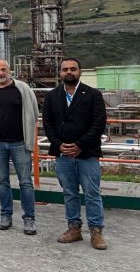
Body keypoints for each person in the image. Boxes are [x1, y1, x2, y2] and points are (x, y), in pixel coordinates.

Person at [43, 58, 108, 250]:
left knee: (92, 193)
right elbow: (47, 123)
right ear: (60, 73)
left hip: (87, 153)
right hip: (63, 154)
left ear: (80, 71)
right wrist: (58, 144)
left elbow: (98, 123)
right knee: (69, 193)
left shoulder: (93, 94)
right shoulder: (52, 96)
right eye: (65, 69)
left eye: (73, 69)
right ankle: (74, 228)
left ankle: (96, 231)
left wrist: (80, 145)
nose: (69, 72)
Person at [0, 59, 39, 234]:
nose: (1, 73)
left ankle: (29, 218)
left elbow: (34, 112)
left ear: (9, 70)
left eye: (3, 69)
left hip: (20, 143)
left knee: (25, 182)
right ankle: (6, 216)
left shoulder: (23, 88)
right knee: (2, 182)